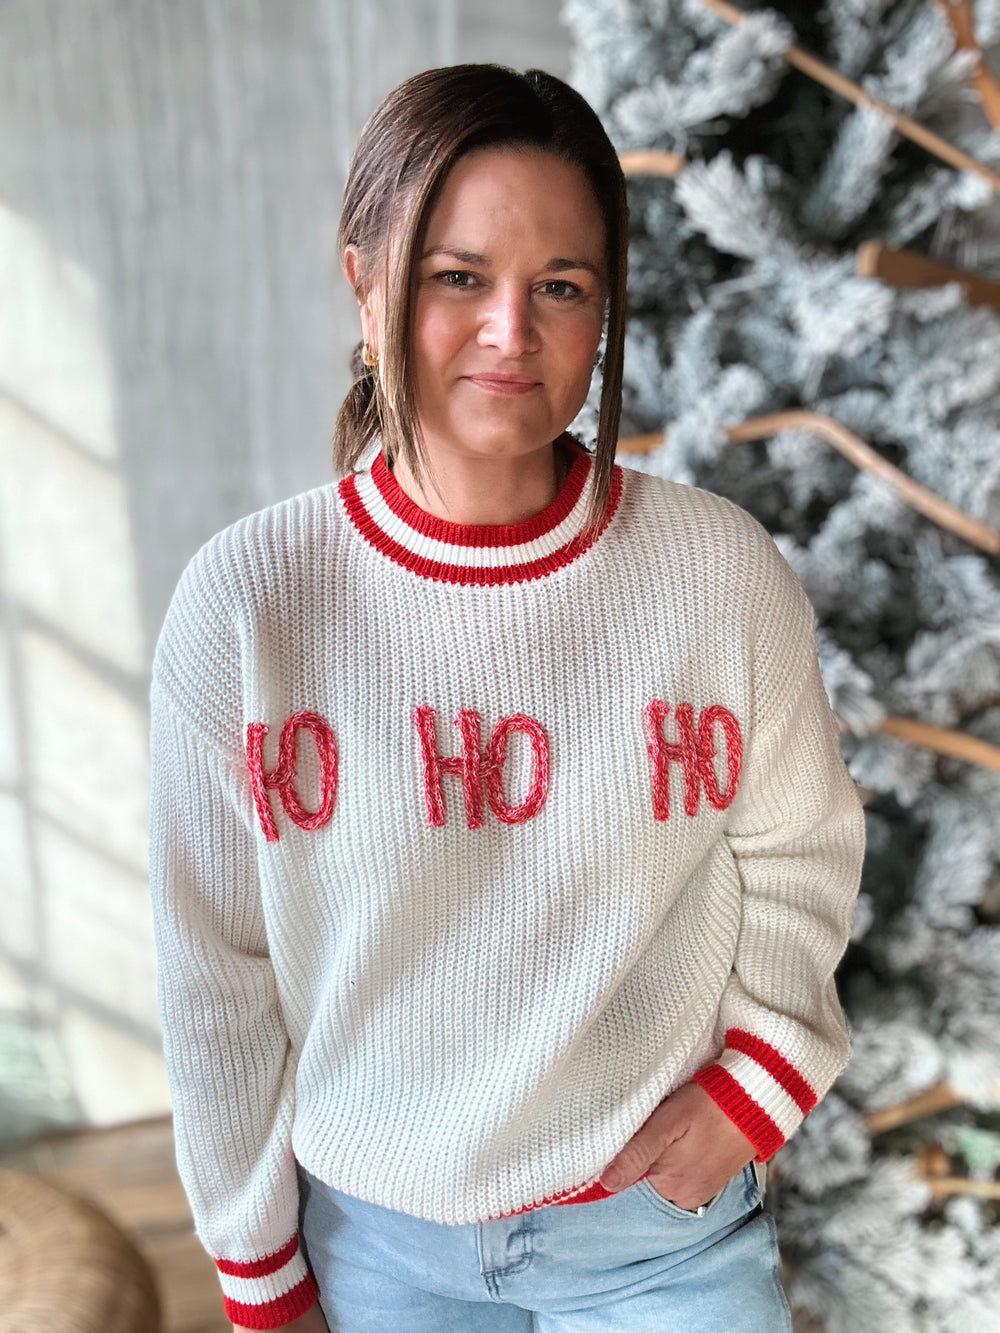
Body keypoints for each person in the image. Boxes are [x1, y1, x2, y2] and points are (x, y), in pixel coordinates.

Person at [149, 64, 866, 1333]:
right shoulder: (249, 604)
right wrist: (258, 1273)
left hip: (662, 1237)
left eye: (561, 288)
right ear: (365, 279)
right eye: (457, 276)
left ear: (604, 311)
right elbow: (217, 973)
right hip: (374, 1245)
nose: (509, 332)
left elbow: (800, 849)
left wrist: (756, 1084)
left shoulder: (714, 571)